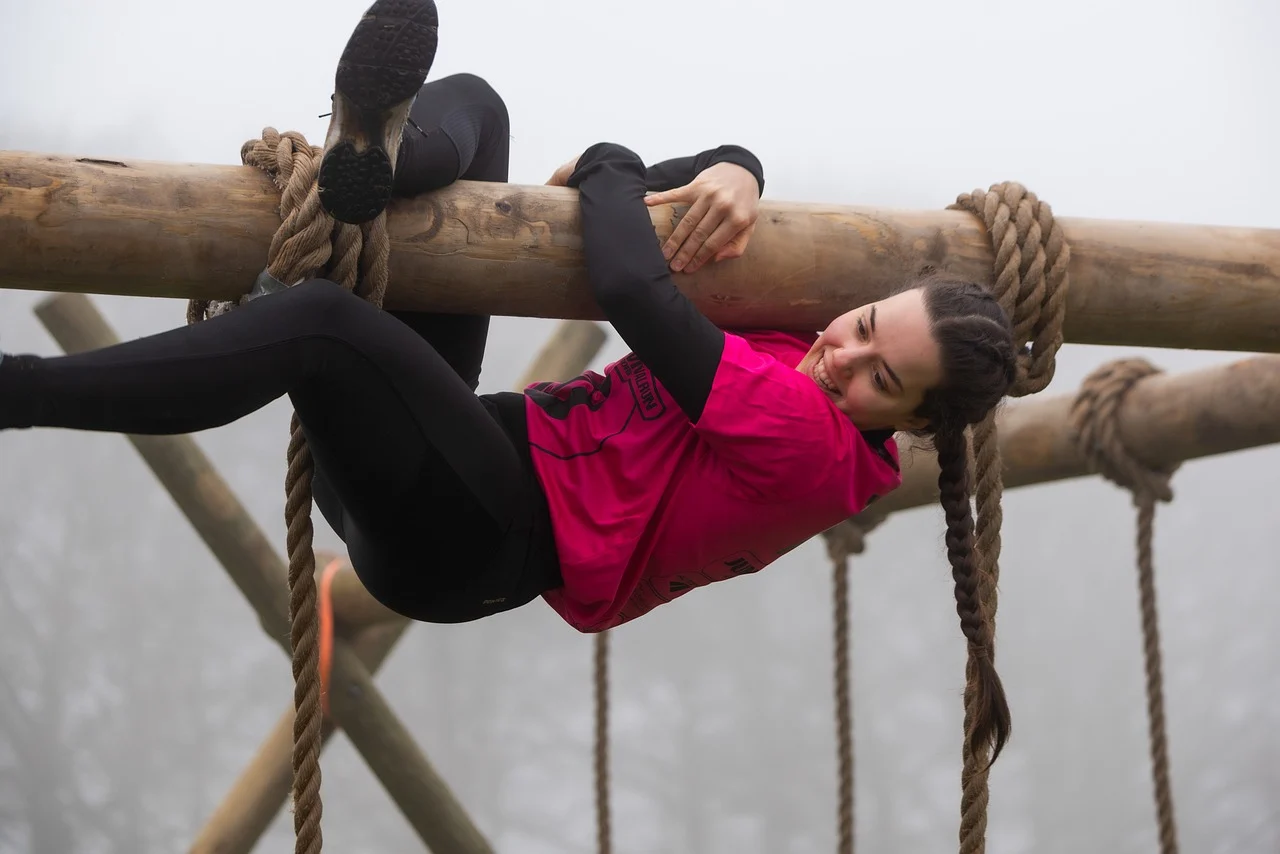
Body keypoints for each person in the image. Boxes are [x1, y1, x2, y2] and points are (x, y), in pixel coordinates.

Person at [0, 0, 1018, 761]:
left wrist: (613, 165)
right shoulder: (805, 343)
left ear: (911, 421)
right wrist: (736, 164)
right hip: (445, 452)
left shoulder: (809, 437)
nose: (841, 356)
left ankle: (19, 391)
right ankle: (371, 163)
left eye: (879, 376)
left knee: (320, 323)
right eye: (863, 326)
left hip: (469, 531)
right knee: (478, 112)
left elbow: (628, 273)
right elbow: (658, 203)